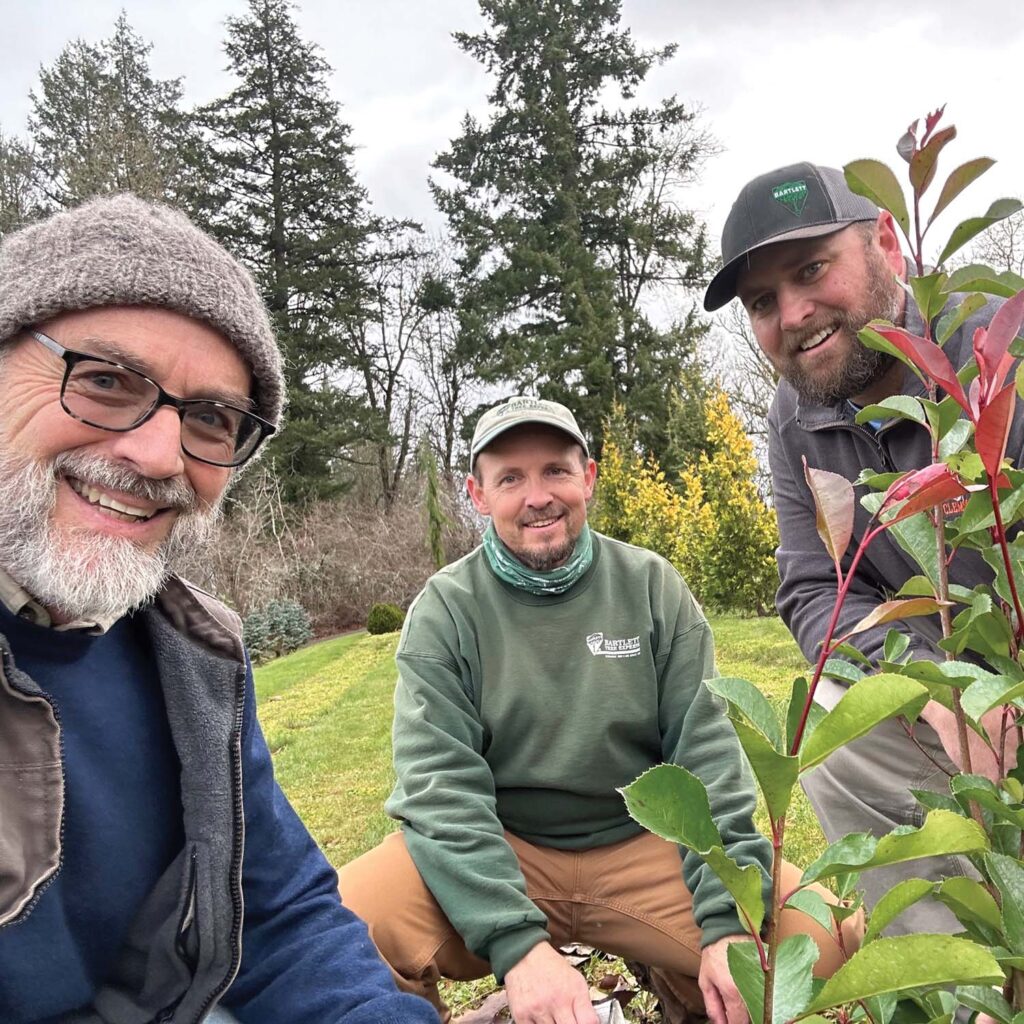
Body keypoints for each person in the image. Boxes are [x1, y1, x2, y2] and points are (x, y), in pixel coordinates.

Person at [0, 195, 437, 1024]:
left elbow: (278, 911)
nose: (158, 453)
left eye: (209, 419)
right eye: (103, 380)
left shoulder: (193, 653)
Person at [340, 396, 861, 1024]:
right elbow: (439, 790)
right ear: (477, 495)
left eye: (556, 471)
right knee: (344, 929)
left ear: (587, 477)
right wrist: (518, 946)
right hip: (509, 848)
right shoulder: (444, 611)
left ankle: (686, 990)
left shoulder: (651, 587)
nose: (538, 497)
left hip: (643, 843)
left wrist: (728, 921)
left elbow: (706, 757)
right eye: (511, 478)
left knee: (824, 940)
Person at [703, 162, 1017, 929]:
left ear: (887, 243)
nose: (795, 313)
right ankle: (961, 979)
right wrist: (928, 685)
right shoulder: (792, 422)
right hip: (953, 697)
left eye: (812, 269)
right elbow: (813, 590)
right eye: (763, 302)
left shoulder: (999, 346)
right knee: (835, 721)